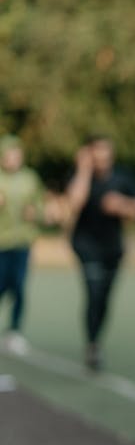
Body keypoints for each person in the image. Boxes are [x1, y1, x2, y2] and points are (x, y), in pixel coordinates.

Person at [66, 135, 135, 371]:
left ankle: (96, 338)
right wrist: (83, 169)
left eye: (106, 153)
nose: (102, 159)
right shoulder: (82, 176)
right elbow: (73, 203)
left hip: (113, 247)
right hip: (86, 245)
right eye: (97, 154)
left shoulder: (122, 176)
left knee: (104, 298)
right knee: (93, 293)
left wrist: (123, 205)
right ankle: (92, 345)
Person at [0, 135, 46, 356]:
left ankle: (14, 331)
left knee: (19, 286)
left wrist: (35, 212)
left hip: (23, 242)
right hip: (1, 242)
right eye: (8, 154)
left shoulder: (30, 178)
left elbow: (39, 206)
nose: (12, 159)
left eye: (16, 154)